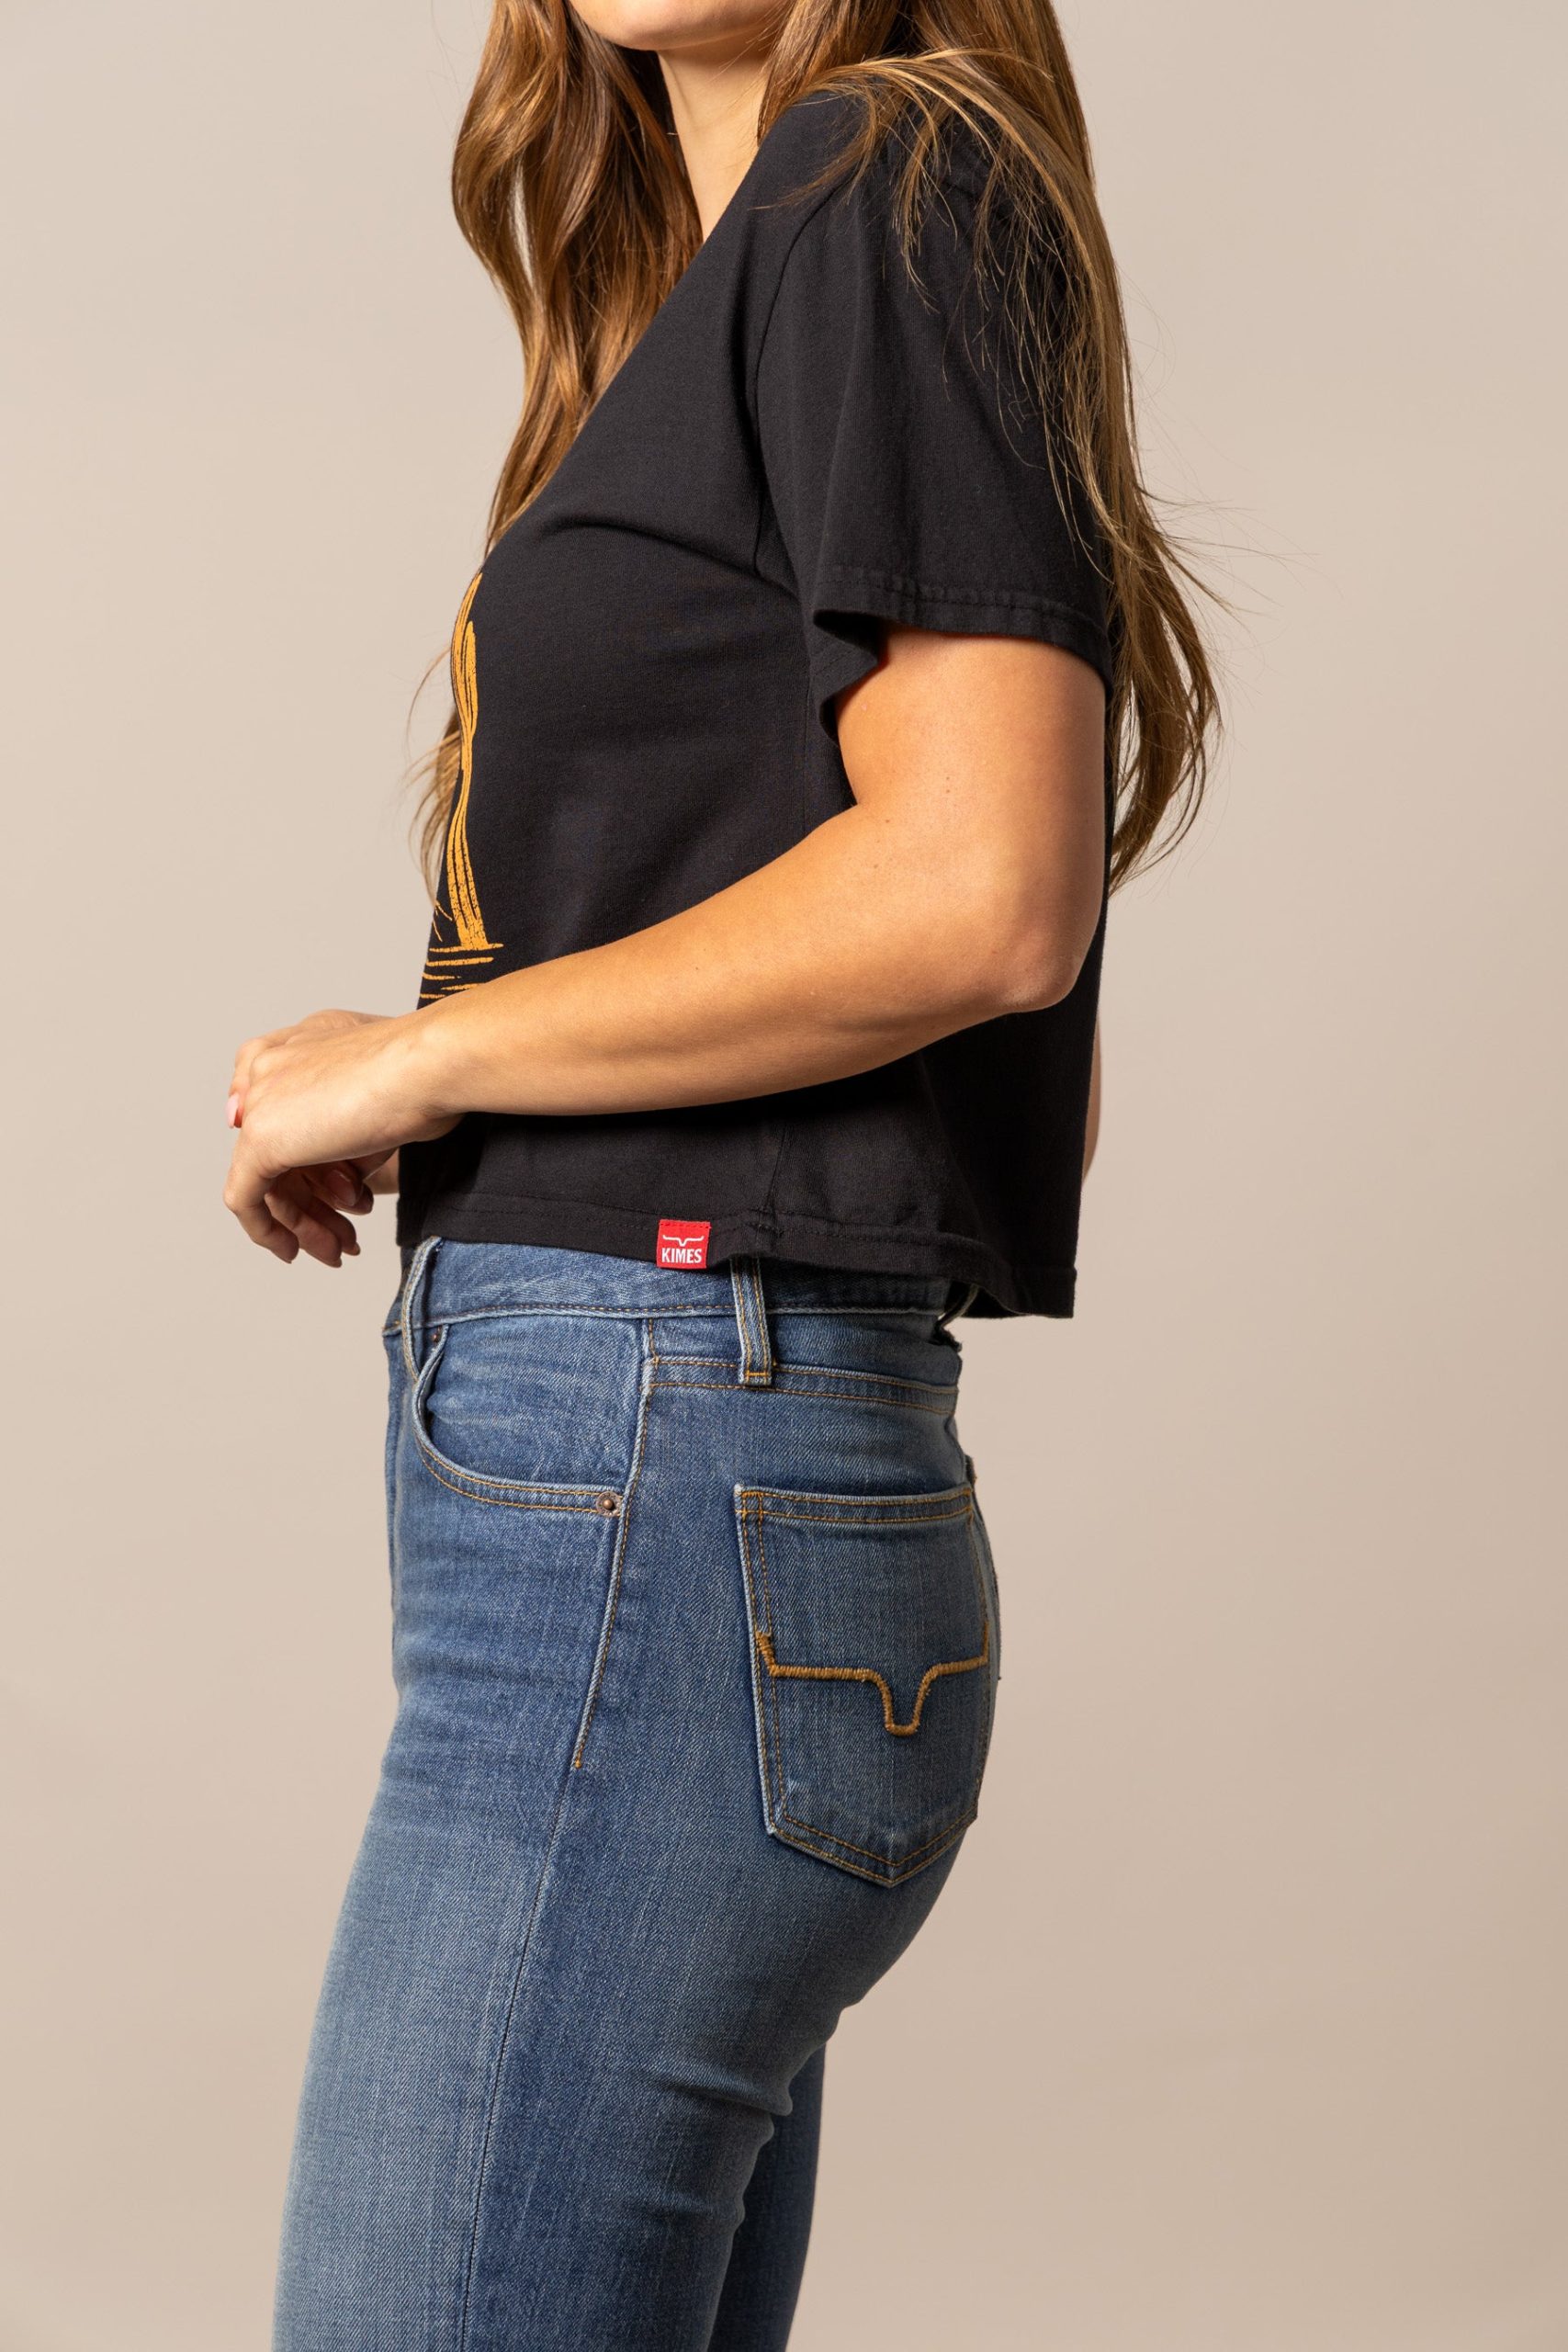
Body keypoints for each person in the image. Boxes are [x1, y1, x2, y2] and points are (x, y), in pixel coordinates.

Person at [225, 0, 1216, 2341]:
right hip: (692, 1464)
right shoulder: (777, 251)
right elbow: (1007, 1051)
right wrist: (476, 1089)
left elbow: (981, 898)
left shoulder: (882, 180)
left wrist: (427, 1056)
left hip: (664, 1467)